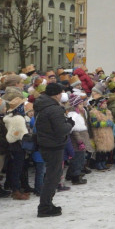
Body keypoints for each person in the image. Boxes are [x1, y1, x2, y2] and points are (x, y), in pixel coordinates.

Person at [34, 82, 73, 217]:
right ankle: (45, 206)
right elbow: (61, 130)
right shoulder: (54, 109)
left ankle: (47, 204)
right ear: (57, 94)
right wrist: (69, 124)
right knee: (53, 177)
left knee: (52, 175)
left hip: (45, 143)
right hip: (53, 145)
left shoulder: (41, 105)